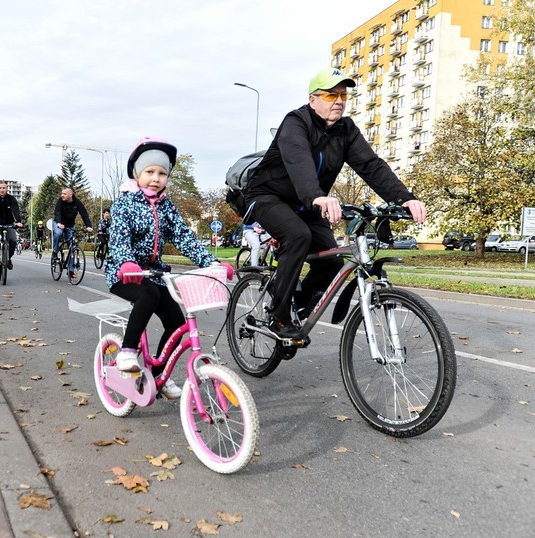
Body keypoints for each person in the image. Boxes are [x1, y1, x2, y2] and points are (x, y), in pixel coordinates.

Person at [243, 67, 426, 340]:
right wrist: (316, 195)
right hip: (268, 196)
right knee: (298, 235)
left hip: (309, 203)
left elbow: (371, 166)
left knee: (332, 261)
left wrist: (404, 198)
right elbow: (298, 160)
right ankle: (279, 319)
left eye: (343, 95)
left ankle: (298, 308)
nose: (338, 100)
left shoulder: (345, 130)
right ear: (312, 99)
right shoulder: (295, 122)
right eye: (330, 94)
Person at [105, 138, 234, 399]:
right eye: (150, 172)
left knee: (176, 322)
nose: (156, 178)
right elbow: (118, 236)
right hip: (125, 272)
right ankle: (127, 351)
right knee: (148, 296)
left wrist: (211, 263)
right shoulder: (125, 203)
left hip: (156, 274)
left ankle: (156, 378)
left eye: (162, 173)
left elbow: (184, 237)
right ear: (137, 174)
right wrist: (126, 262)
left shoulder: (166, 207)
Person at [52, 187, 93, 278]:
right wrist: (59, 223)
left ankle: (71, 270)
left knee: (72, 248)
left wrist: (89, 226)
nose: (62, 195)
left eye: (64, 194)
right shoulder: (60, 201)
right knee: (58, 233)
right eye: (62, 193)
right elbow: (57, 212)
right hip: (59, 223)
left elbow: (84, 214)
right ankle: (55, 252)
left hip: (70, 225)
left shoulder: (77, 202)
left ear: (71, 195)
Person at [0, 181, 23, 270]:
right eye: (0, 188)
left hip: (9, 224)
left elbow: (15, 210)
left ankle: (9, 258)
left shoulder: (11, 199)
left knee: (13, 240)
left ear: (7, 189)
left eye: (4, 188)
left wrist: (18, 221)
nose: (2, 190)